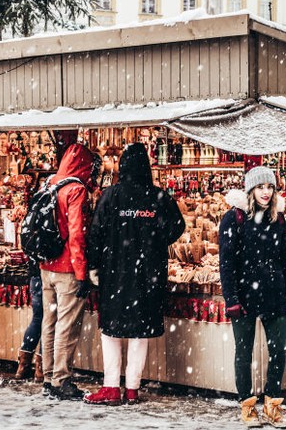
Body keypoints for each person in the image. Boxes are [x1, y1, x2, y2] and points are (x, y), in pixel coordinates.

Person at [84, 143, 185, 406]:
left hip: (114, 273)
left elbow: (95, 233)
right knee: (140, 334)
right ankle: (132, 388)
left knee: (111, 331)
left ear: (123, 166)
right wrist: (155, 239)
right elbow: (177, 226)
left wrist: (94, 266)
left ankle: (110, 387)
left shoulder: (111, 196)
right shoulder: (159, 197)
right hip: (147, 276)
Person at [218, 166, 286, 428]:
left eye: (270, 187)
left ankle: (272, 404)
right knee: (244, 353)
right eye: (260, 187)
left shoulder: (278, 220)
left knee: (278, 351)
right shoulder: (233, 219)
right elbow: (227, 264)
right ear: (250, 190)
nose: (266, 192)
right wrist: (231, 298)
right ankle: (247, 406)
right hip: (243, 297)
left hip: (274, 295)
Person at [40, 143, 96, 400]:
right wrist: (82, 273)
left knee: (49, 322)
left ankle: (48, 375)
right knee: (66, 325)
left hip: (46, 265)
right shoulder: (76, 190)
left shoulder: (49, 184)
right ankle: (61, 379)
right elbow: (77, 235)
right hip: (67, 268)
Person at [14, 260, 43, 381]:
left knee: (37, 319)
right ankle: (41, 368)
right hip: (50, 272)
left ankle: (23, 366)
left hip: (36, 275)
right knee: (50, 322)